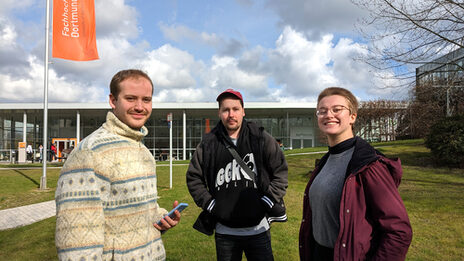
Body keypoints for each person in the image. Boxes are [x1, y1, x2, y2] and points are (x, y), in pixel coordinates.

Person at [55, 69, 181, 261]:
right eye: (131, 98)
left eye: (146, 100)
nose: (140, 107)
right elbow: (76, 239)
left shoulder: (143, 151)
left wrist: (161, 218)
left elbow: (135, 210)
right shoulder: (90, 152)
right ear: (113, 101)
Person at [299, 87, 412, 261]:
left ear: (352, 116)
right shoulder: (325, 161)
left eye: (337, 109)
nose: (328, 114)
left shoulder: (369, 165)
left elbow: (398, 231)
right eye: (322, 111)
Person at [186, 89, 288, 261]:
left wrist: (267, 201)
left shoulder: (261, 138)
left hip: (258, 230)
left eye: (235, 109)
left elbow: (280, 172)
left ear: (243, 111)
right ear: (219, 112)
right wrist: (211, 204)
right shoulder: (208, 143)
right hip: (225, 232)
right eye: (226, 110)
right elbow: (193, 178)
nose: (231, 114)